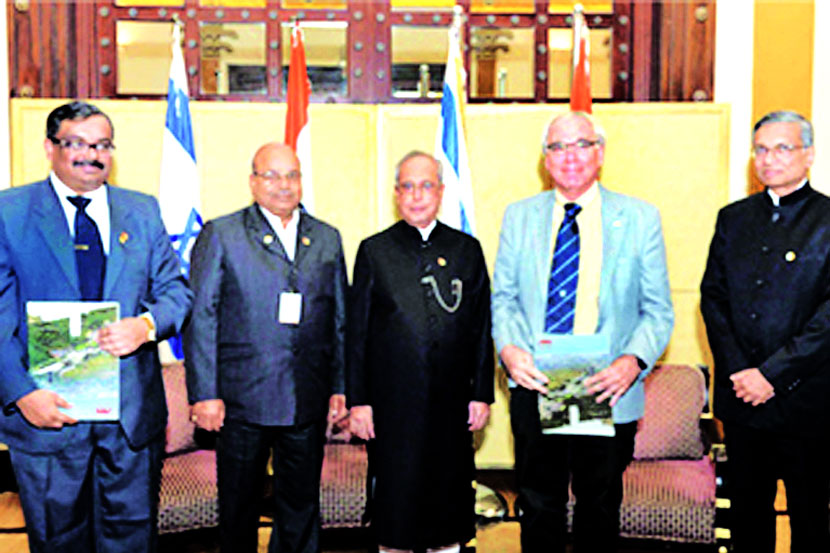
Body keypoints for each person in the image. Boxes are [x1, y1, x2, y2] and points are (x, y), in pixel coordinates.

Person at [0, 101, 193, 552]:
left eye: (103, 145)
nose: (92, 155)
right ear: (49, 147)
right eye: (78, 143)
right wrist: (21, 393)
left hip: (129, 420)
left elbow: (177, 293)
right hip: (46, 413)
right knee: (58, 541)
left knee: (132, 541)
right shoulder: (9, 212)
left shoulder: (142, 211)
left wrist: (145, 326)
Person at [491, 111, 674, 552]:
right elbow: (504, 299)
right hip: (536, 381)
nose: (569, 156)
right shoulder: (519, 217)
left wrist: (632, 362)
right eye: (557, 147)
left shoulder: (639, 218)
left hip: (606, 384)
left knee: (599, 506)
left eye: (581, 145)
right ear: (545, 159)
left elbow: (657, 311)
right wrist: (509, 350)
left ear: (601, 153)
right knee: (539, 504)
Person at [184, 142, 348, 553]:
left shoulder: (326, 238)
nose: (283, 185)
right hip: (240, 402)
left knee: (301, 507)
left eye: (292, 175)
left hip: (307, 398)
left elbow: (339, 320)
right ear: (253, 181)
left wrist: (340, 385)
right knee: (238, 508)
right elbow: (201, 317)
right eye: (271, 175)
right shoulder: (222, 234)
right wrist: (204, 394)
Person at [348, 151, 494, 553]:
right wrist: (359, 401)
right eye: (408, 186)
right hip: (392, 407)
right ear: (396, 194)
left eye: (426, 185)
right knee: (397, 504)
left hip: (453, 405)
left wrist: (481, 393)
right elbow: (356, 334)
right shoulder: (375, 251)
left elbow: (482, 327)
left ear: (441, 192)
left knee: (448, 501)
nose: (417, 195)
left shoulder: (466, 250)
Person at [700, 110, 830, 553]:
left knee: (810, 519)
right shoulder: (733, 218)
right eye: (761, 150)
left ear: (808, 154)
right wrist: (741, 372)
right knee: (747, 518)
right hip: (742, 401)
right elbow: (713, 299)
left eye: (782, 148)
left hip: (806, 400)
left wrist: (771, 375)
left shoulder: (826, 219)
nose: (769, 159)